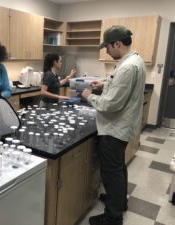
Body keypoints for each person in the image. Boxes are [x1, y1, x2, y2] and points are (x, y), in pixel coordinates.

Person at [81, 25, 146, 225]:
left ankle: (113, 217)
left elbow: (112, 104)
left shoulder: (127, 67)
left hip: (114, 129)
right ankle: (118, 202)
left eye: (108, 47)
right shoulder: (135, 60)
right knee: (118, 168)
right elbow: (118, 88)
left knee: (112, 172)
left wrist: (89, 96)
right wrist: (103, 85)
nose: (107, 51)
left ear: (117, 43)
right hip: (122, 127)